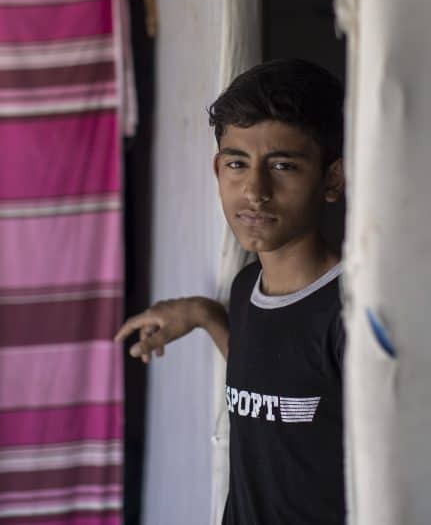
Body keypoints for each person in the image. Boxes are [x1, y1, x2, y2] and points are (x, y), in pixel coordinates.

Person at [114, 58, 348, 524]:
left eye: (283, 166)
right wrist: (204, 315)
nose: (254, 191)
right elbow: (269, 378)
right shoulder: (246, 289)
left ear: (332, 180)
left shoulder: (350, 312)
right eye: (237, 164)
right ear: (218, 171)